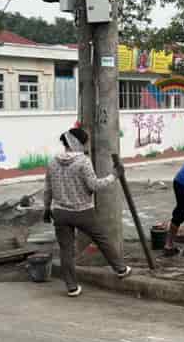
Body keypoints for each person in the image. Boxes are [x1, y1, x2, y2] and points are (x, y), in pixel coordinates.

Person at [43, 127, 131, 297]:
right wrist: (114, 175)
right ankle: (120, 269)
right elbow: (94, 185)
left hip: (60, 212)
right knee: (102, 239)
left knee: (66, 250)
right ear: (79, 143)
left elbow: (47, 189)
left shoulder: (52, 162)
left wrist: (47, 208)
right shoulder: (83, 161)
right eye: (85, 143)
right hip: (83, 211)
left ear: (66, 143)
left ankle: (71, 287)